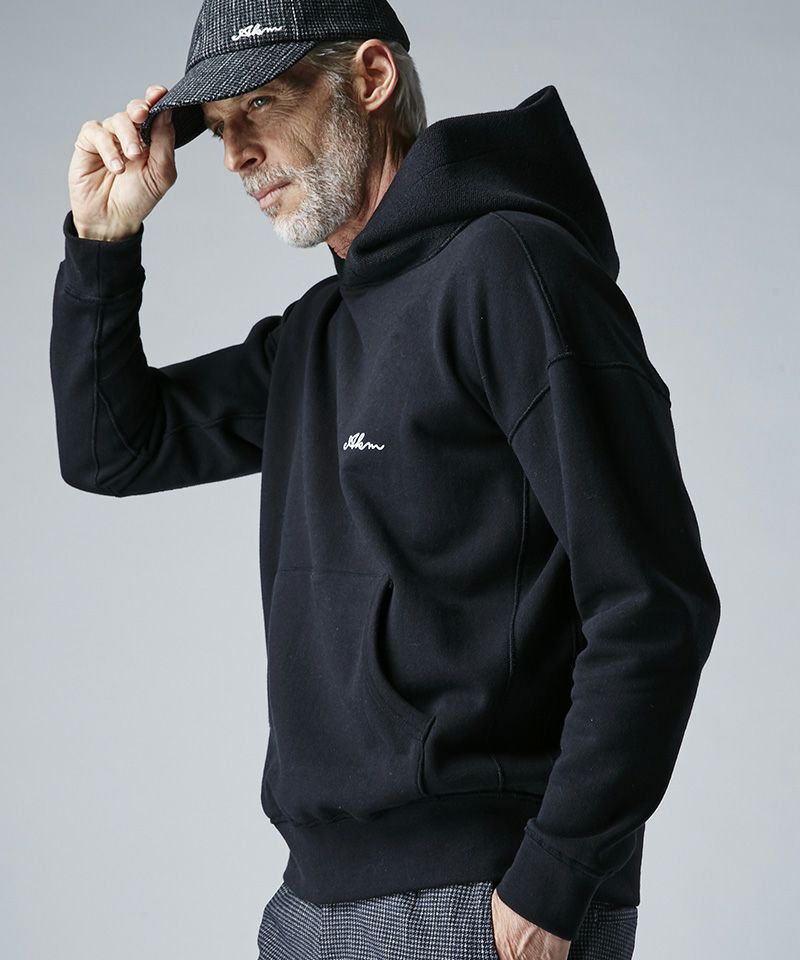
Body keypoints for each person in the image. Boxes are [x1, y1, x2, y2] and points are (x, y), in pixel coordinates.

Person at [49, 1, 721, 958]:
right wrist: (102, 245)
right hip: (312, 902)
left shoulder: (511, 273)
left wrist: (556, 880)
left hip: (479, 898)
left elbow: (654, 601)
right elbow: (112, 448)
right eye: (219, 126)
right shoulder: (318, 336)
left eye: (262, 105)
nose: (235, 155)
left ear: (370, 79)